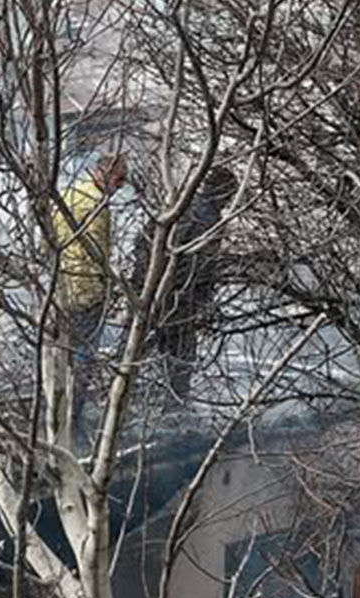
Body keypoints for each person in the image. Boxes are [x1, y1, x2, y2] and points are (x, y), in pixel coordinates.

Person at [132, 166, 237, 400]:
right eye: (229, 195)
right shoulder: (206, 218)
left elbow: (144, 243)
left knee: (139, 349)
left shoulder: (180, 205)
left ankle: (122, 399)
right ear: (222, 192)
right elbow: (203, 268)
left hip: (158, 294)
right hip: (178, 298)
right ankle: (174, 407)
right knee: (179, 355)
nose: (229, 201)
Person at [48, 153, 129, 424]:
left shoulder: (69, 194)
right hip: (85, 294)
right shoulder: (97, 205)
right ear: (102, 174)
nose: (120, 186)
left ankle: (54, 413)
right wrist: (106, 292)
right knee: (83, 359)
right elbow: (97, 255)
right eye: (118, 179)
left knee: (60, 356)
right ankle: (73, 418)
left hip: (59, 289)